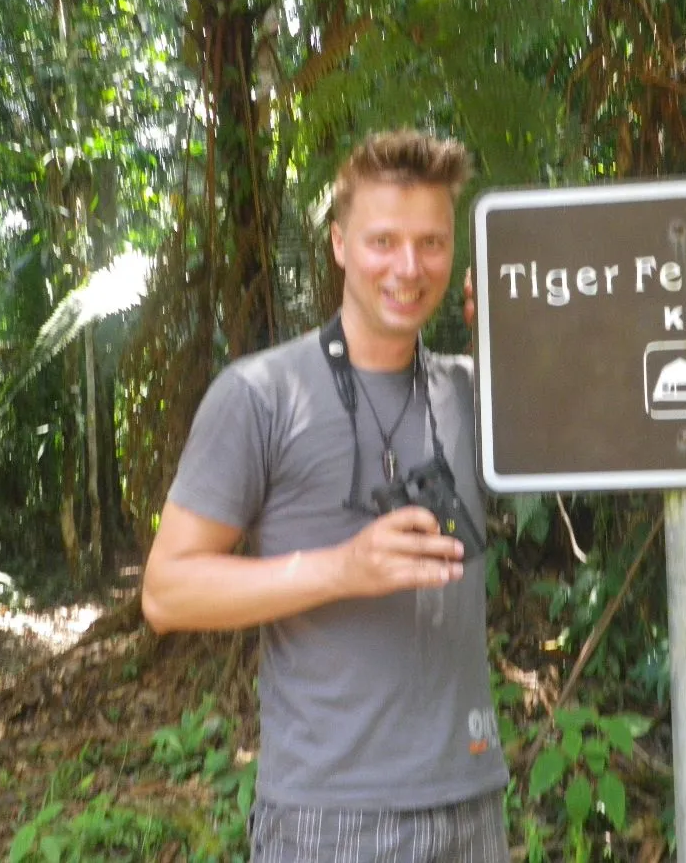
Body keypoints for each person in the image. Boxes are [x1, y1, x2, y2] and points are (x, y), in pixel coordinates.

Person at [141, 129, 510, 861]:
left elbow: (608, 429)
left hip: (471, 799)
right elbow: (166, 593)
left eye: (432, 243)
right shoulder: (258, 395)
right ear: (340, 245)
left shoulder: (479, 390)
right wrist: (342, 569)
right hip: (327, 816)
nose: (409, 267)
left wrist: (525, 338)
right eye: (383, 241)